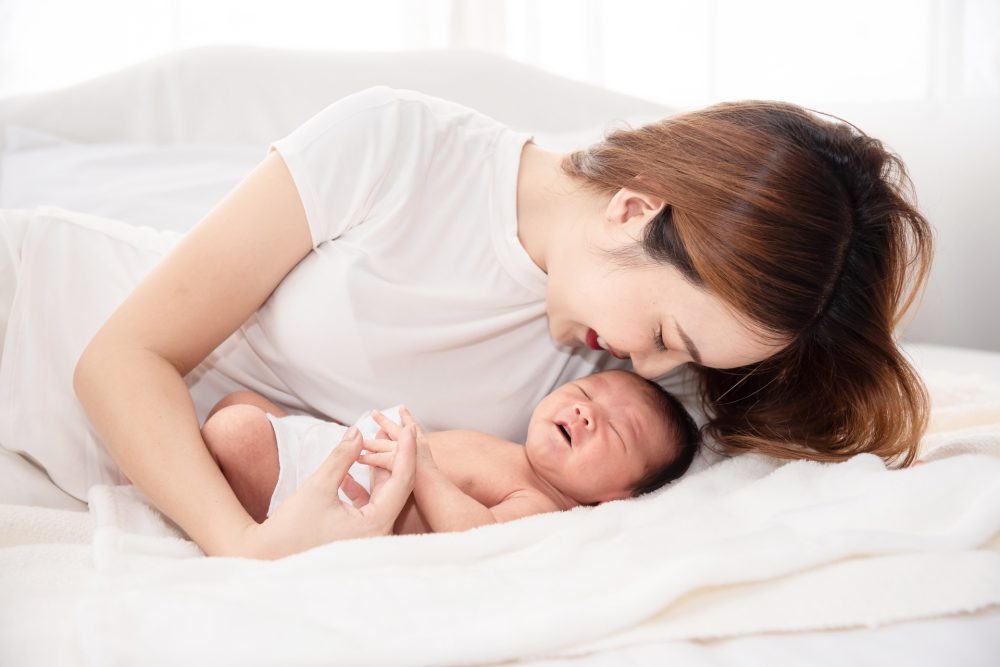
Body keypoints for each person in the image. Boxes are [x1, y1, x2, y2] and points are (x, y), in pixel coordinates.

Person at [0, 86, 933, 559]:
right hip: (37, 317)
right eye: (666, 334)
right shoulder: (396, 146)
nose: (652, 369)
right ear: (631, 211)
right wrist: (245, 550)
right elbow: (122, 358)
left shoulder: (622, 389)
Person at [200, 370, 700, 532]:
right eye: (586, 392)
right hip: (340, 451)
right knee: (241, 403)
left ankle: (218, 500)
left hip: (333, 501)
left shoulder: (539, 504)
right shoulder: (510, 449)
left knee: (237, 431)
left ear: (618, 497)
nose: (587, 413)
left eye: (616, 430)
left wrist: (425, 471)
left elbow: (473, 534)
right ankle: (203, 477)